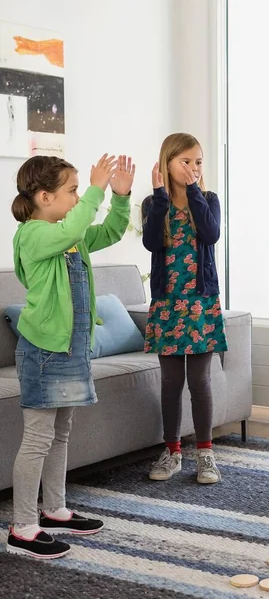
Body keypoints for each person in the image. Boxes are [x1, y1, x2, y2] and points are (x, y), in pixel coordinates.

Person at [7, 153, 135, 558]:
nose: (79, 197)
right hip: (43, 352)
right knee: (38, 438)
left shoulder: (70, 236)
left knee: (61, 433)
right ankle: (23, 527)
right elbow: (76, 225)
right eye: (73, 190)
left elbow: (110, 231)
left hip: (71, 351)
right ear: (44, 197)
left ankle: (55, 509)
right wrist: (96, 190)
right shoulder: (33, 234)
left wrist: (120, 197)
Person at [142, 133, 227, 485]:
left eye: (198, 162)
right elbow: (151, 241)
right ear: (168, 163)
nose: (194, 167)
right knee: (171, 383)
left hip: (201, 303)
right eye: (186, 161)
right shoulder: (153, 203)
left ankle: (205, 454)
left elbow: (211, 234)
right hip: (167, 304)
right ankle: (172, 451)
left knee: (200, 381)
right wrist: (161, 197)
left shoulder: (208, 199)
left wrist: (193, 191)